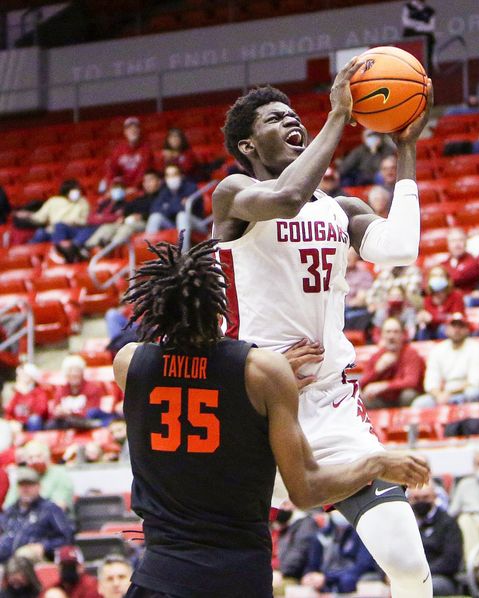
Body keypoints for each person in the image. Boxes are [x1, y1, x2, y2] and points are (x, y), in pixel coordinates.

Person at [212, 62, 434, 596]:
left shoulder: (342, 210)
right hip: (253, 406)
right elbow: (287, 199)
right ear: (247, 145)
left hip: (331, 403)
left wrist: (405, 145)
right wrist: (339, 113)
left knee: (405, 560)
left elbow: (401, 248)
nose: (293, 121)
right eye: (274, 118)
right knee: (231, 574)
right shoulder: (234, 195)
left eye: (295, 116)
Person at [113, 238, 429, 598]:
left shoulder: (129, 364)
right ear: (221, 305)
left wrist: (260, 379)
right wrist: (373, 463)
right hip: (236, 576)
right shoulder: (260, 373)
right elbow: (306, 489)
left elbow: (193, 380)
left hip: (158, 575)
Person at [0, 467, 74, 564]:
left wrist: (44, 546)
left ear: (39, 486)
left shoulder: (50, 509)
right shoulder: (10, 511)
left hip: (33, 561)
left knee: (24, 555)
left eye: (30, 485)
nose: (25, 489)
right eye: (22, 485)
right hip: (5, 559)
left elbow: (67, 537)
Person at [414, 312, 479, 407]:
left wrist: (449, 393)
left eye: (461, 326)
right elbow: (430, 383)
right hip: (444, 394)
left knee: (473, 393)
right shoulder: (437, 350)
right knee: (420, 404)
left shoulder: (476, 348)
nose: (457, 330)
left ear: (467, 330)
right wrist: (439, 395)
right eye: (453, 326)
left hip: (466, 392)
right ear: (446, 329)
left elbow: (474, 382)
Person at [299, 512, 377, 595]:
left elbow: (363, 565)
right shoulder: (321, 535)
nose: (339, 511)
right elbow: (313, 563)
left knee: (348, 580)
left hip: (347, 579)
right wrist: (309, 575)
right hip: (324, 580)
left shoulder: (361, 533)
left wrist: (327, 578)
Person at [407, 483, 463, 597]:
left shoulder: (448, 523)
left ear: (435, 497)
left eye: (425, 497)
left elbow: (450, 561)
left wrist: (421, 575)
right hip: (405, 576)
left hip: (440, 576)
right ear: (409, 499)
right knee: (370, 585)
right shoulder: (403, 522)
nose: (421, 501)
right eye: (416, 498)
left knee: (425, 588)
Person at [85, 169, 162, 250]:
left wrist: (142, 216)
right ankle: (88, 247)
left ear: (159, 181)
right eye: (145, 181)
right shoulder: (140, 198)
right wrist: (123, 217)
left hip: (146, 222)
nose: (147, 184)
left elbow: (160, 213)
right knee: (108, 227)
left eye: (150, 180)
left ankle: (110, 247)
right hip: (131, 221)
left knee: (127, 227)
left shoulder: (162, 197)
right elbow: (127, 209)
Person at [360, 317, 425, 408]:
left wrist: (384, 386)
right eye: (388, 332)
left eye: (395, 332)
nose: (391, 336)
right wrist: (377, 370)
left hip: (403, 399)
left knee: (408, 395)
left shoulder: (411, 353)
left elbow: (411, 381)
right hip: (384, 400)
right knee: (361, 397)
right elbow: (362, 383)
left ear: (403, 335)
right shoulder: (377, 356)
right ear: (382, 335)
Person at [15, 180, 90, 245]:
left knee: (60, 227)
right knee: (40, 232)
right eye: (74, 190)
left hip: (71, 230)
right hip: (52, 231)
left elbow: (85, 221)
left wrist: (74, 222)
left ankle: (57, 252)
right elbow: (40, 217)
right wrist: (28, 215)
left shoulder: (83, 202)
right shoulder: (53, 201)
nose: (77, 192)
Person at [4, 441, 74, 511]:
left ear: (48, 457)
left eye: (39, 456)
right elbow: (8, 506)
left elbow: (59, 506)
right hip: (24, 518)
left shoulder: (60, 474)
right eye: (30, 458)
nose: (35, 460)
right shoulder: (23, 476)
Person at [47, 355, 107, 430]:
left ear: (82, 373)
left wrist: (70, 412)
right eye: (70, 371)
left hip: (85, 421)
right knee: (51, 425)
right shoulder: (61, 390)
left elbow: (91, 411)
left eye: (77, 371)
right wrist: (58, 412)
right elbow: (55, 410)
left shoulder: (93, 388)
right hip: (65, 421)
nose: (74, 374)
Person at [272, 501, 319, 592]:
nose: (282, 508)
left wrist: (281, 572)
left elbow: (298, 553)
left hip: (292, 576)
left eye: (285, 504)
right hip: (272, 572)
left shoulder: (305, 523)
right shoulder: (278, 523)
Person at [145, 163, 200, 234]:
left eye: (174, 174)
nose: (172, 178)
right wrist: (176, 205)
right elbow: (154, 209)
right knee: (155, 217)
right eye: (168, 175)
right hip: (174, 224)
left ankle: (183, 245)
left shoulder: (191, 187)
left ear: (181, 176)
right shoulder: (164, 191)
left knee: (182, 215)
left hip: (196, 223)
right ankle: (148, 244)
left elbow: (185, 209)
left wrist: (167, 206)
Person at [103, 117, 152, 190]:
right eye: (129, 128)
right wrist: (113, 186)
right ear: (125, 132)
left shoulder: (146, 150)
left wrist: (134, 188)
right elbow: (110, 170)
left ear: (139, 131)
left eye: (135, 128)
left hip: (140, 189)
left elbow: (144, 172)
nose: (133, 130)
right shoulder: (118, 150)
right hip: (122, 189)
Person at [417, 266, 465, 340]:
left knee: (442, 329)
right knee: (422, 330)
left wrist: (433, 318)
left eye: (441, 276)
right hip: (432, 332)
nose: (438, 279)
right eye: (434, 276)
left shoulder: (456, 296)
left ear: (447, 279)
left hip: (452, 332)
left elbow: (456, 319)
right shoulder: (427, 300)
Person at [6, 364, 48, 431]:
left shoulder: (39, 392)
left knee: (34, 420)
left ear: (31, 377)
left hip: (33, 424)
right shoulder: (17, 393)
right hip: (19, 424)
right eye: (18, 376)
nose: (18, 378)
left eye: (22, 375)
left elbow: (41, 410)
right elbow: (9, 411)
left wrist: (26, 394)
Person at [441, 228, 479, 294]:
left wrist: (443, 279)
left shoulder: (472, 261)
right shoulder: (443, 264)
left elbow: (459, 277)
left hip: (467, 298)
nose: (457, 244)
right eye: (453, 241)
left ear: (466, 242)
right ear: (448, 244)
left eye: (460, 240)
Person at [401, 0, 435, 69]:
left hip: (427, 40)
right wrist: (420, 24)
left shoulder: (430, 11)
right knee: (409, 60)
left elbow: (431, 27)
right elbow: (406, 22)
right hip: (410, 39)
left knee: (427, 60)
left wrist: (419, 28)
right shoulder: (408, 7)